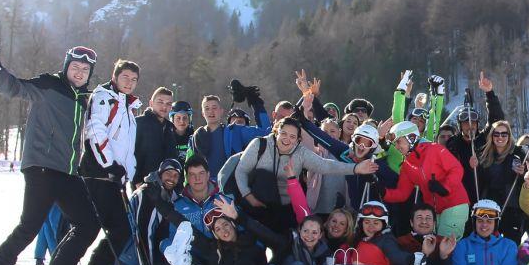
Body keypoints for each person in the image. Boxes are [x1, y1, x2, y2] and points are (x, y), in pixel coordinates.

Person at [0, 41, 102, 265]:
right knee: (28, 227)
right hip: (42, 168)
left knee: (88, 224)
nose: (79, 73)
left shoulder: (82, 99)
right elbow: (14, 87)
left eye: (85, 70)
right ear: (66, 67)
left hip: (67, 173)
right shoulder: (49, 86)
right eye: (75, 67)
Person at [234, 116, 378, 233]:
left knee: (282, 245)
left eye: (292, 136)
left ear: (298, 139)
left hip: (284, 208)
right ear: (276, 131)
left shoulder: (300, 153)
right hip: (257, 203)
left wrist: (355, 168)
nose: (287, 139)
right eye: (283, 134)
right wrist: (249, 196)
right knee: (264, 176)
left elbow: (324, 165)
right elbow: (241, 171)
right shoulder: (260, 145)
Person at [77, 58, 143, 265]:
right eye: (125, 77)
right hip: (99, 174)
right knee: (110, 228)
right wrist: (110, 165)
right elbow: (96, 130)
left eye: (134, 79)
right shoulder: (104, 96)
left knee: (117, 230)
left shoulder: (127, 105)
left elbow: (127, 146)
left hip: (114, 178)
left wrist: (128, 172)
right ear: (115, 77)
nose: (129, 83)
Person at [384, 120, 471, 237]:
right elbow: (402, 193)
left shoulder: (434, 149)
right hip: (434, 210)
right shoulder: (407, 165)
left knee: (444, 243)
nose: (397, 147)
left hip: (454, 203)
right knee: (433, 245)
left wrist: (445, 187)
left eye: (399, 142)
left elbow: (456, 169)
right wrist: (383, 192)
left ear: (411, 137)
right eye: (395, 144)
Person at [444, 72, 505, 204]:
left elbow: (497, 120)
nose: (470, 126)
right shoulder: (453, 143)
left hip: (485, 197)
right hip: (460, 200)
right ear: (460, 126)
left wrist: (489, 93)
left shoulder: (484, 139)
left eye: (473, 123)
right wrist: (466, 164)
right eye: (466, 123)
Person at [190, 91, 270, 177]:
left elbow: (265, 132)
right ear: (203, 113)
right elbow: (191, 166)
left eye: (214, 108)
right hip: (206, 187)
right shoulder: (196, 137)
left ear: (221, 111)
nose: (211, 112)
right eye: (207, 108)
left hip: (228, 186)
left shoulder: (235, 132)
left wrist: (256, 103)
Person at [476, 119, 527, 241]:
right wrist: (475, 166)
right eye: (496, 134)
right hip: (490, 206)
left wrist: (523, 174)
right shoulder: (484, 155)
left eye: (504, 134)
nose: (500, 137)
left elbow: (527, 181)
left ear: (509, 137)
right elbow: (480, 181)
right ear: (491, 136)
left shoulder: (518, 154)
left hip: (511, 206)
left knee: (511, 241)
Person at [133, 86, 174, 186]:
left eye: (168, 104)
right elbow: (132, 154)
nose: (164, 107)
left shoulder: (170, 128)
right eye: (160, 102)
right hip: (143, 184)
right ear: (151, 103)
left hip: (166, 185)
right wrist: (137, 181)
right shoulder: (138, 124)